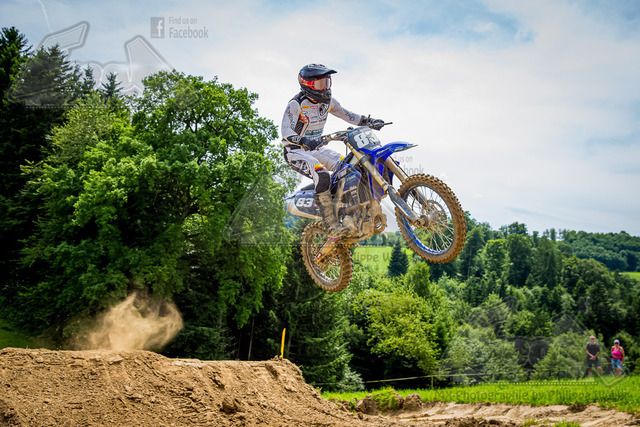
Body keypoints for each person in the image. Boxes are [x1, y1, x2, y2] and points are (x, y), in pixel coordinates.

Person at [281, 63, 385, 236]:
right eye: (320, 84)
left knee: (350, 167)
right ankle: (331, 223)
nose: (325, 88)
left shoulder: (328, 102)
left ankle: (351, 210)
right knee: (321, 174)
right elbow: (285, 131)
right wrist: (303, 140)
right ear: (307, 85)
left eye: (327, 82)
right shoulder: (296, 104)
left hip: (316, 148)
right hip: (296, 151)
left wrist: (369, 121)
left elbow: (347, 115)